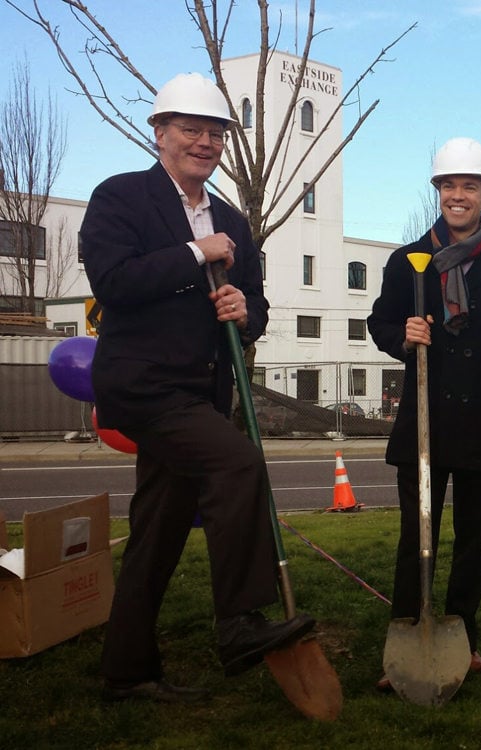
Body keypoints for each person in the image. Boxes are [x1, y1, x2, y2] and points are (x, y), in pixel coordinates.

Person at [82, 73, 314, 703]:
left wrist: (245, 311)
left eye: (215, 133)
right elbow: (113, 282)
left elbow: (259, 307)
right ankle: (239, 622)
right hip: (144, 386)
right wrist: (193, 252)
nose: (205, 142)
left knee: (157, 529)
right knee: (239, 463)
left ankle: (126, 673)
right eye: (191, 129)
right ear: (160, 133)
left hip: (201, 391)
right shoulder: (121, 198)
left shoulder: (234, 221)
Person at [368, 137, 481, 686]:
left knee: (472, 539)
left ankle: (462, 638)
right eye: (449, 186)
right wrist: (403, 333)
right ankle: (406, 630)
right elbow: (379, 323)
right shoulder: (407, 263)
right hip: (423, 422)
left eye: (470, 186)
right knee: (414, 534)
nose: (458, 195)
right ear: (438, 194)